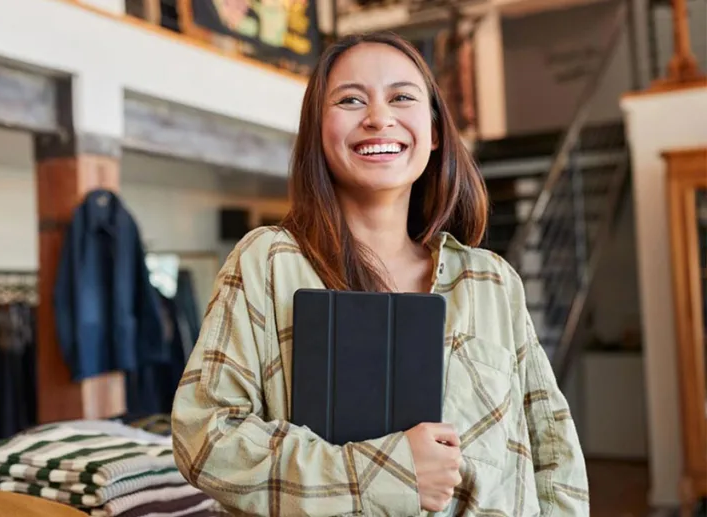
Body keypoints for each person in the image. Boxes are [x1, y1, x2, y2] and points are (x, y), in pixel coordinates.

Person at [170, 31, 588, 516]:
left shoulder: (492, 280)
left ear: (433, 132)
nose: (378, 117)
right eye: (350, 100)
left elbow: (553, 450)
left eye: (401, 97)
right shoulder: (268, 263)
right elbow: (205, 436)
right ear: (318, 133)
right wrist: (384, 474)